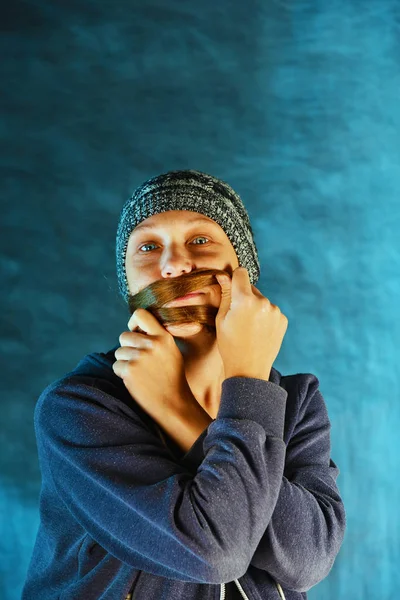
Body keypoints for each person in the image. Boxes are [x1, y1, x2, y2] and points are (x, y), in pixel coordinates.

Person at [22, 169, 346, 600]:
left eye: (200, 241)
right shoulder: (78, 408)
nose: (174, 265)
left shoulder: (297, 402)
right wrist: (246, 382)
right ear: (129, 285)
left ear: (245, 271)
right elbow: (214, 551)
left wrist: (178, 410)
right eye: (149, 246)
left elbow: (309, 559)